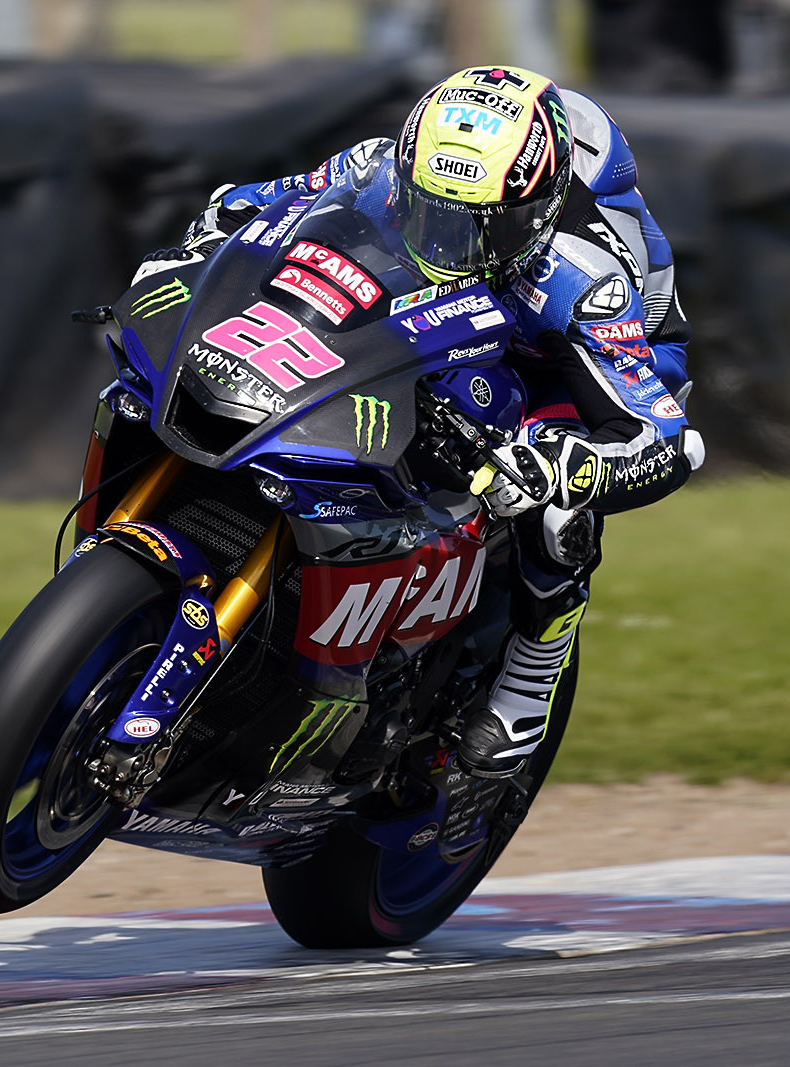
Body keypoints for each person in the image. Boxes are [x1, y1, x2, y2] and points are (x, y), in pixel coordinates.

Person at [142, 65, 704, 777]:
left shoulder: (584, 278)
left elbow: (668, 442)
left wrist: (566, 466)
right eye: (430, 209)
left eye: (477, 226)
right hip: (452, 313)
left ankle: (534, 666)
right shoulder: (375, 165)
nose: (445, 238)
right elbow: (247, 208)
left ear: (533, 212)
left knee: (552, 499)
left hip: (574, 363)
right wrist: (191, 254)